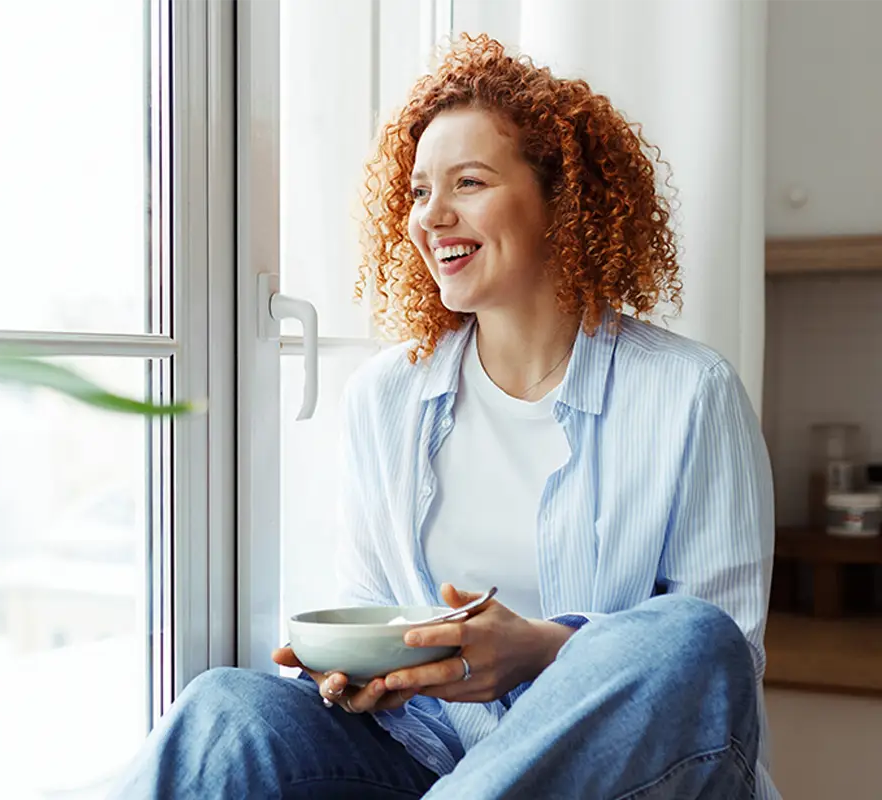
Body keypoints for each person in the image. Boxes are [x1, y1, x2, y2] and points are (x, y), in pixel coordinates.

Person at [111, 34, 775, 799]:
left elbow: (720, 672)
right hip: (426, 754)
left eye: (469, 182)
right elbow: (375, 609)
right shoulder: (385, 398)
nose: (433, 216)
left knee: (690, 638)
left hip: (612, 770)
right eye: (421, 191)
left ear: (563, 199)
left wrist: (541, 652)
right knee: (225, 710)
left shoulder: (690, 393)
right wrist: (365, 670)